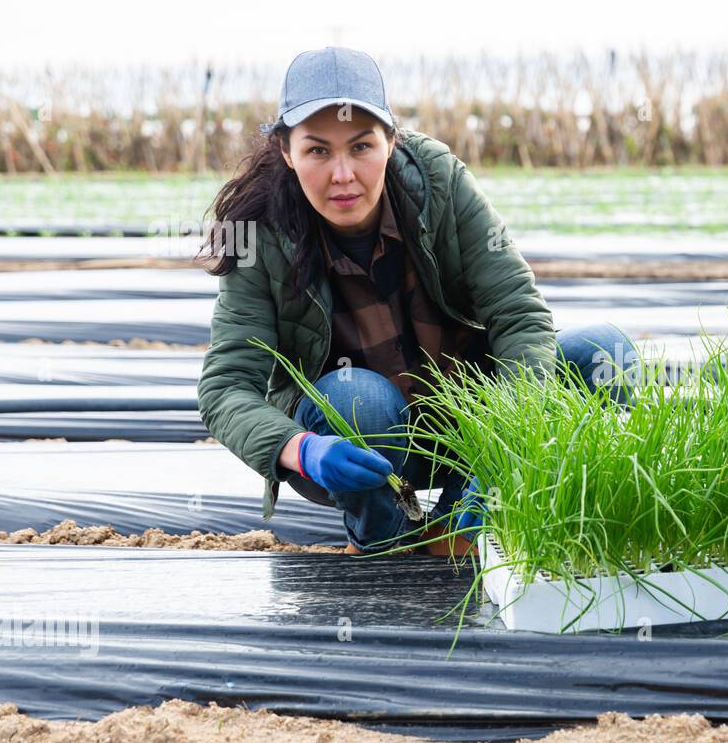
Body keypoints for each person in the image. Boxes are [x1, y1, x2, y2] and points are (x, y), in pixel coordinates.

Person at [197, 47, 640, 557]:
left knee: (605, 351)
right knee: (356, 397)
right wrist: (302, 450)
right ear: (286, 151)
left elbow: (517, 310)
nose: (342, 175)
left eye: (361, 147)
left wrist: (507, 444)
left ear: (390, 140)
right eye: (318, 151)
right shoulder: (259, 232)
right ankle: (386, 536)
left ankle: (463, 519)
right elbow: (225, 387)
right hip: (361, 441)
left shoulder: (438, 181)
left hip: (472, 421)